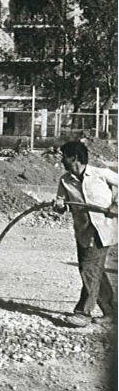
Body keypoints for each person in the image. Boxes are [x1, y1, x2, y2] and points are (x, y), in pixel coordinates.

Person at [53, 140, 118, 327]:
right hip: (83, 231)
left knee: (88, 269)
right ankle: (111, 312)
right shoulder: (65, 180)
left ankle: (83, 313)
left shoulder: (100, 174)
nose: (61, 160)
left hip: (103, 229)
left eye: (64, 156)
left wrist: (115, 204)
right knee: (94, 270)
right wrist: (58, 206)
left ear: (74, 158)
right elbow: (61, 204)